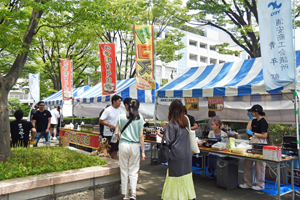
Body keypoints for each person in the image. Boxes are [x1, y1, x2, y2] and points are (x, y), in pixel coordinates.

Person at [161, 99, 196, 200]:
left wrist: (161, 134)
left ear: (171, 109)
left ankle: (176, 197)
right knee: (186, 176)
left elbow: (168, 141)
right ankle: (187, 196)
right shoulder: (186, 122)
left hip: (176, 155)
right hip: (187, 154)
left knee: (175, 177)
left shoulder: (172, 124)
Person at [115, 98, 146, 200]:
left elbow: (116, 133)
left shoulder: (121, 117)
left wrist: (121, 140)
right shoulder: (140, 118)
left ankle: (125, 195)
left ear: (128, 105)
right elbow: (141, 136)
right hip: (134, 146)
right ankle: (133, 194)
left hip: (123, 144)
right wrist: (143, 152)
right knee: (134, 170)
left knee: (124, 170)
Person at [239, 104, 268, 190]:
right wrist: (250, 120)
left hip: (260, 143)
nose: (251, 113)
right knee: (247, 162)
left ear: (256, 112)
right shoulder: (254, 121)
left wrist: (253, 133)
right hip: (253, 142)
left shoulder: (263, 122)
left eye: (252, 112)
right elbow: (248, 129)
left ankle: (260, 184)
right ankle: (247, 182)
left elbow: (264, 135)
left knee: (260, 164)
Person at [99, 95, 122, 159]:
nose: (120, 103)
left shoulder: (118, 110)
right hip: (109, 134)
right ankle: (109, 164)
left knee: (115, 150)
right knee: (108, 150)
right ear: (114, 101)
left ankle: (114, 163)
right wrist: (109, 125)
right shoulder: (108, 110)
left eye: (120, 101)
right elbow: (101, 120)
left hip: (116, 134)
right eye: (119, 101)